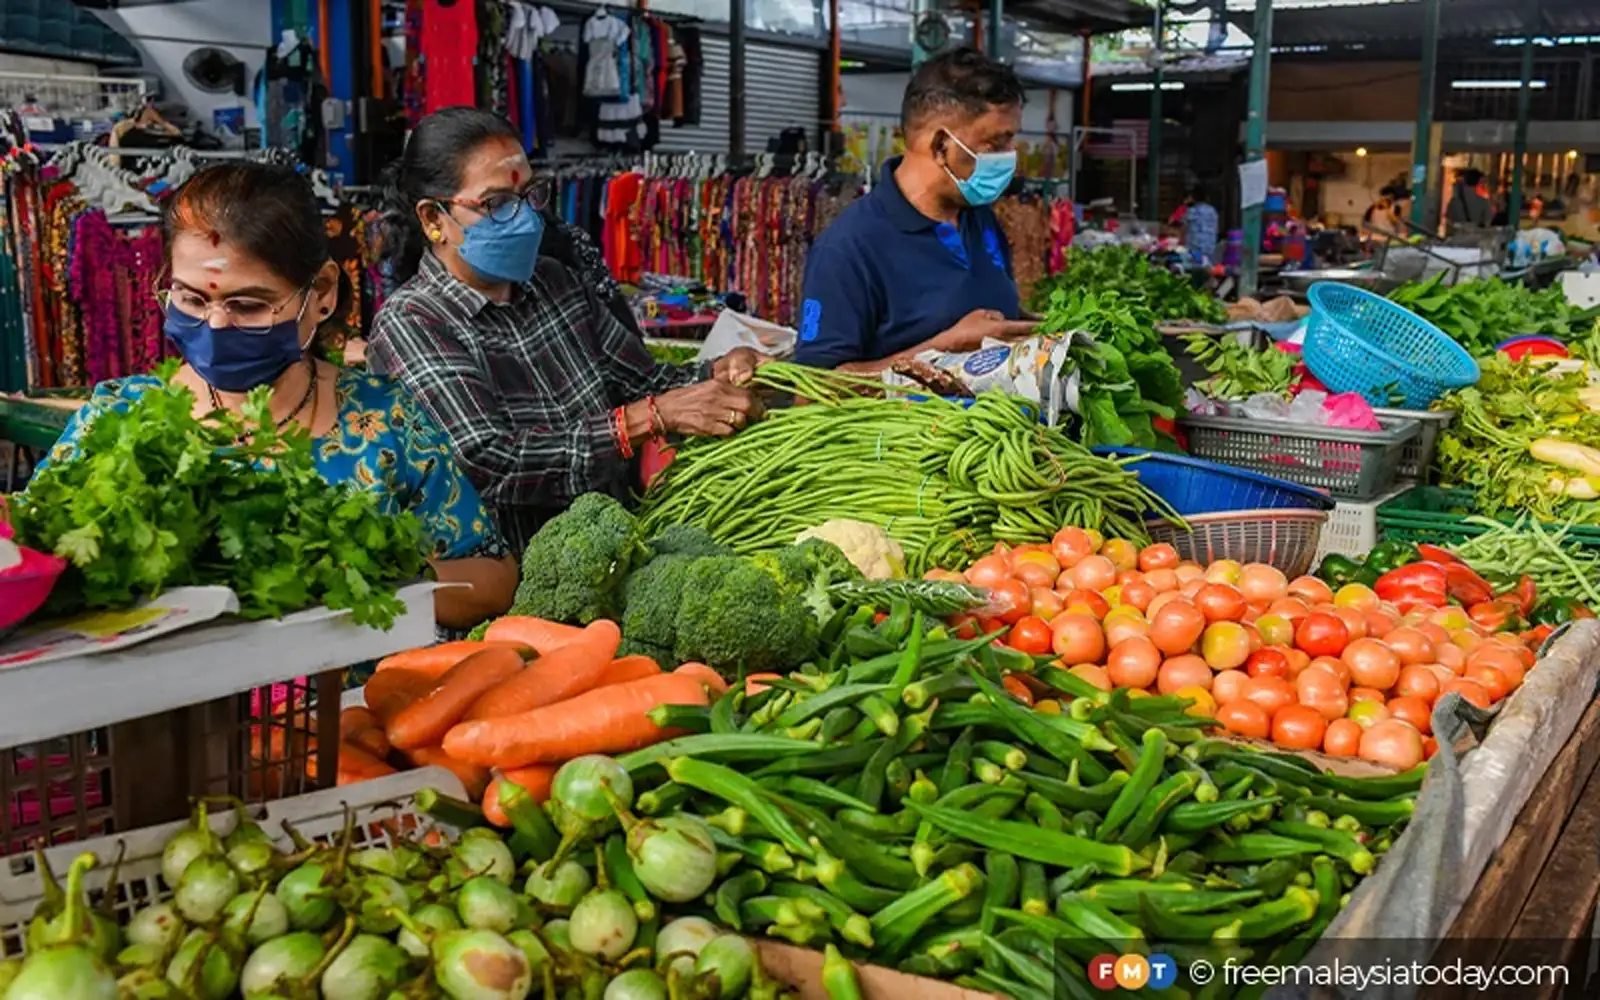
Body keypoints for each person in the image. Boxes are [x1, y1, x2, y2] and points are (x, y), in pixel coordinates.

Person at [34, 163, 518, 631]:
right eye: (192, 299)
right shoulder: (117, 426)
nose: (216, 324)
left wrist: (384, 577)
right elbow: (29, 564)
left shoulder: (382, 419)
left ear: (322, 292)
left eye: (249, 305)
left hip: (354, 709)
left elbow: (494, 579)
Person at [368, 107, 764, 554]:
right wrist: (645, 419)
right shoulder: (413, 322)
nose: (524, 218)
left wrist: (718, 375)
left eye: (530, 194)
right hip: (508, 584)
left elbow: (645, 381)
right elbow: (487, 462)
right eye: (496, 204)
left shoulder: (554, 281)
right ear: (433, 219)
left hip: (618, 548)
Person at [794, 48, 1034, 371]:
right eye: (996, 144)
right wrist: (942, 350)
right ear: (940, 147)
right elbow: (813, 391)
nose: (1010, 156)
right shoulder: (847, 248)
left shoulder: (979, 218)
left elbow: (992, 321)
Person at [1181, 184, 1219, 265]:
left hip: (1195, 250)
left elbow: (1183, 229)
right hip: (1210, 249)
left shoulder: (1191, 211)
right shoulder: (1212, 211)